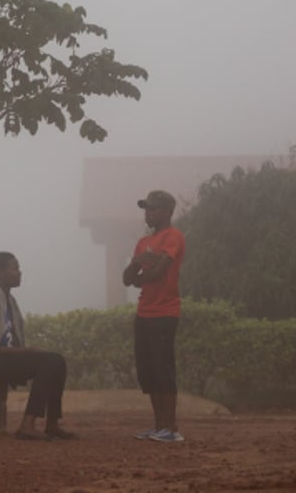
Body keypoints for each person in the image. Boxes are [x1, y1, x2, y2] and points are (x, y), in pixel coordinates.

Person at [0, 251, 77, 441]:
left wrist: (25, 352)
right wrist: (26, 351)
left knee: (58, 361)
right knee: (51, 361)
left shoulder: (9, 301)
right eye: (15, 268)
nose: (19, 272)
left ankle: (52, 424)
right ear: (0, 273)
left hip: (4, 359)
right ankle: (27, 425)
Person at [122, 189, 187, 443]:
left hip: (165, 312)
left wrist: (138, 274)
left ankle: (171, 428)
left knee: (163, 369)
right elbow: (127, 278)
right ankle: (158, 425)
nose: (147, 214)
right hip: (144, 312)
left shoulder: (174, 236)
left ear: (167, 211)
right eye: (146, 209)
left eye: (152, 208)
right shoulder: (142, 243)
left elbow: (159, 271)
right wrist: (137, 264)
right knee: (148, 370)